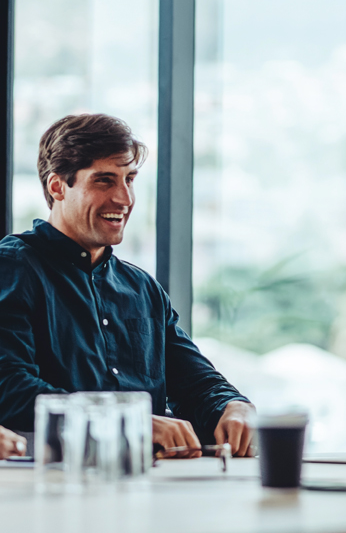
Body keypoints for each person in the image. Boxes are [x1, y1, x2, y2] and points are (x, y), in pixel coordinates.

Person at [0, 114, 255, 457]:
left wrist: (233, 406)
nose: (124, 198)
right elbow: (10, 390)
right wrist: (128, 420)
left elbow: (196, 383)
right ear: (57, 186)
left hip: (154, 484)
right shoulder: (12, 268)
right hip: (50, 484)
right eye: (104, 181)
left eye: (130, 179)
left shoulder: (142, 288)